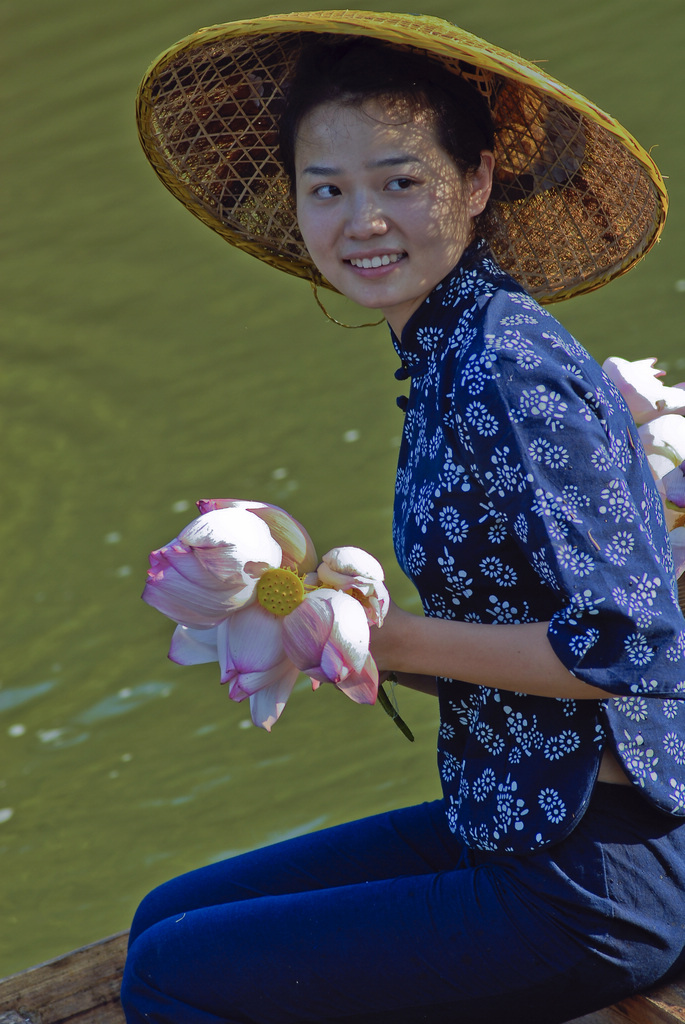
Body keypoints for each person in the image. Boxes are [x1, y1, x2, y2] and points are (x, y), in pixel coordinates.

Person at [123, 12, 685, 1023]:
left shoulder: (508, 368)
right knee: (163, 917)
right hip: (515, 817)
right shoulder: (447, 348)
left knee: (168, 978)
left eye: (399, 181)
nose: (361, 221)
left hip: (586, 877)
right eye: (326, 190)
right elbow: (515, 627)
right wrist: (316, 634)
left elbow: (629, 645)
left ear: (472, 183)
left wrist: (379, 636)